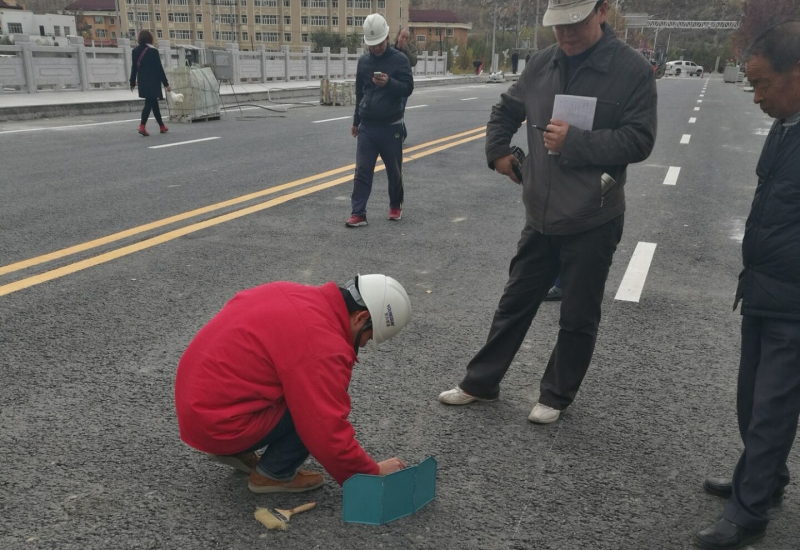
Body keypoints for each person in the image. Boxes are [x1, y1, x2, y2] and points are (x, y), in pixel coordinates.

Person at [438, 0, 657, 424]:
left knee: (577, 314)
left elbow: (640, 140)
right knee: (514, 303)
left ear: (602, 11)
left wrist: (576, 142)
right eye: (559, 27)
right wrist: (498, 151)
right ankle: (480, 383)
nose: (566, 35)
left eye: (575, 24)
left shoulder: (630, 70)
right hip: (540, 214)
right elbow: (505, 109)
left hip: (594, 215)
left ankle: (556, 394)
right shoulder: (542, 64)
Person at [695, 21, 800, 550]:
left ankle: (750, 510)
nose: (755, 96)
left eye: (762, 84)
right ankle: (767, 479)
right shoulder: (786, 125)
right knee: (750, 400)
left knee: (771, 408)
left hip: (795, 302)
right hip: (764, 288)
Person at [174, 274, 413, 493]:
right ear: (361, 317)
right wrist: (370, 473)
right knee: (313, 405)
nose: (362, 345)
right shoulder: (323, 346)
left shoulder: (294, 293)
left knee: (292, 384)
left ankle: (236, 450)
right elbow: (324, 428)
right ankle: (272, 474)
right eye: (367, 336)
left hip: (198, 407)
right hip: (218, 424)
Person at [345, 14, 414, 227]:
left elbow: (408, 87)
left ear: (386, 37)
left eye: (379, 43)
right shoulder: (364, 62)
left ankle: (395, 205)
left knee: (393, 170)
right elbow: (360, 92)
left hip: (391, 125)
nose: (376, 48)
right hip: (368, 126)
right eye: (372, 44)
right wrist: (356, 120)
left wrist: (389, 83)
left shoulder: (399, 60)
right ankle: (358, 212)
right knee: (362, 170)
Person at [129, 30, 170, 137]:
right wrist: (166, 84)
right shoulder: (153, 51)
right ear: (150, 38)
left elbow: (134, 67)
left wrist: (132, 81)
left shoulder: (135, 51)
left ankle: (162, 126)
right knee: (149, 103)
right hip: (153, 81)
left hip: (142, 81)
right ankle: (142, 126)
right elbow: (159, 69)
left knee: (153, 103)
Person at [394, 27, 418, 142]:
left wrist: (406, 48)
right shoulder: (391, 48)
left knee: (400, 109)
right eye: (402, 36)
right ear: (398, 35)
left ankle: (400, 135)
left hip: (404, 84)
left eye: (406, 38)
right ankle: (402, 132)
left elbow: (413, 62)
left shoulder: (411, 49)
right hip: (392, 83)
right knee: (393, 109)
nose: (404, 39)